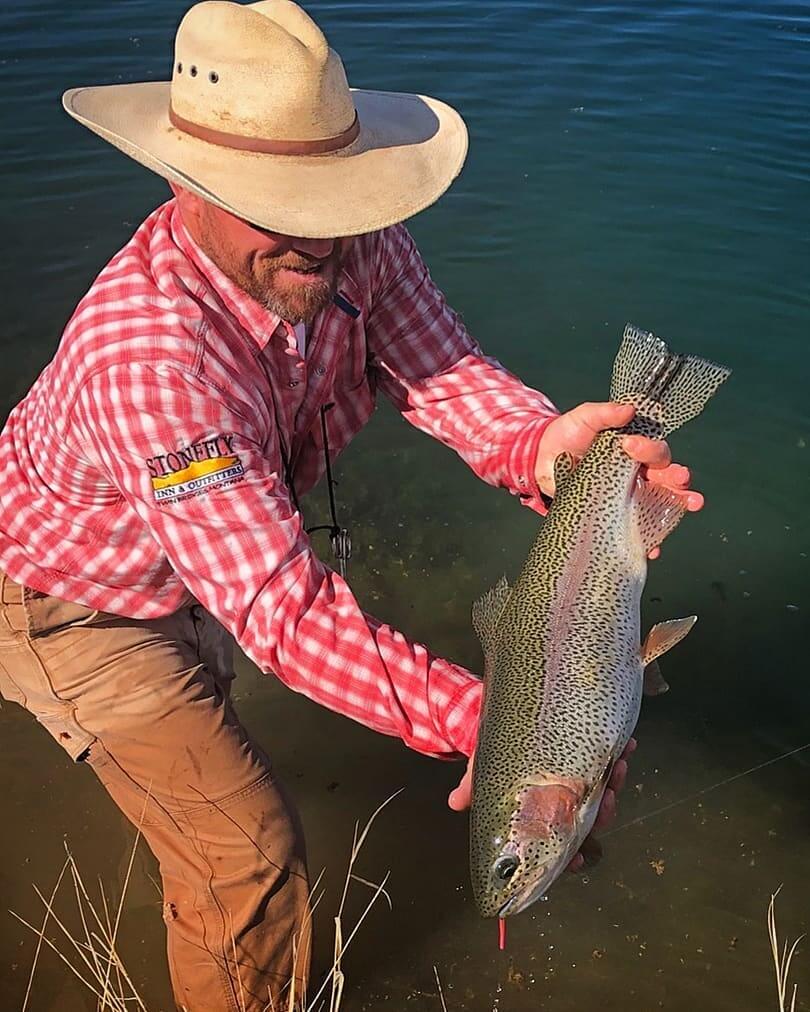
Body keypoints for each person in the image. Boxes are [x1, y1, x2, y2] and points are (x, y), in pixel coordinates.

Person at [0, 2, 700, 1009]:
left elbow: (445, 373)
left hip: (208, 567)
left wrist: (551, 450)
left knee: (213, 776)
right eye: (267, 202)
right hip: (81, 606)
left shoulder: (353, 239)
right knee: (246, 853)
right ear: (181, 184)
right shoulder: (147, 358)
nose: (310, 236)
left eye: (324, 197)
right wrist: (509, 728)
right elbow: (284, 610)